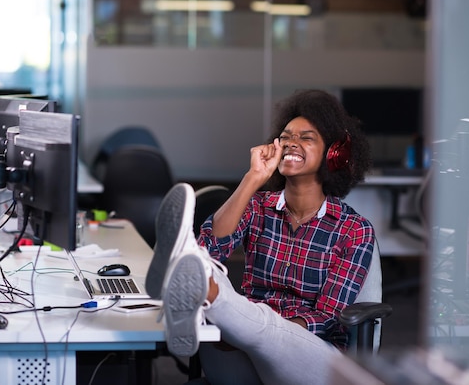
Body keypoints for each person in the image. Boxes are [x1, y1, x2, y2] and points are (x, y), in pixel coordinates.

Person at [145, 89, 375, 385]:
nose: (291, 142)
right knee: (207, 263)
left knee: (258, 324)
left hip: (312, 361)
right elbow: (212, 248)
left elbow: (327, 318)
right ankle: (199, 279)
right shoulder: (258, 206)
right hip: (242, 349)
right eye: (286, 136)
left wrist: (253, 333)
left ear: (334, 154)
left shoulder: (354, 230)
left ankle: (206, 294)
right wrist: (252, 178)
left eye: (306, 137)